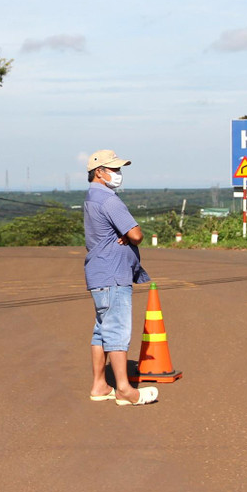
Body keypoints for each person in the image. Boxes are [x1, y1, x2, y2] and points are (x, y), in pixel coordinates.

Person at [83, 149, 159, 406]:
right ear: (99, 172)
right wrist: (129, 235)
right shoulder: (109, 200)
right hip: (114, 273)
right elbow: (136, 234)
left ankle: (100, 385)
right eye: (114, 169)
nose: (118, 174)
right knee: (116, 331)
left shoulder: (91, 197)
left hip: (99, 273)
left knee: (102, 332)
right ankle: (125, 389)